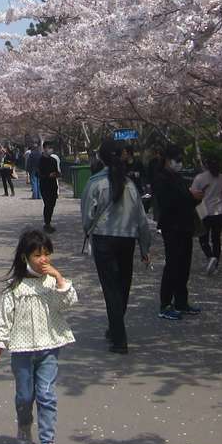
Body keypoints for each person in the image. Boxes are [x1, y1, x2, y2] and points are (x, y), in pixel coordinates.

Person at [0, 228, 76, 444]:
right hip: (22, 349)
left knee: (46, 395)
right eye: (38, 255)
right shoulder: (15, 286)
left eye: (47, 254)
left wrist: (59, 278)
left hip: (49, 346)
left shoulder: (51, 283)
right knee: (25, 396)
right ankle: (24, 424)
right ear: (25, 257)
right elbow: (4, 316)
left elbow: (68, 302)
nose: (43, 260)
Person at [80, 138, 154, 354]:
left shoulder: (95, 182)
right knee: (122, 286)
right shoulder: (130, 184)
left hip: (104, 238)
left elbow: (87, 215)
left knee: (111, 288)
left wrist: (88, 232)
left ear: (101, 157)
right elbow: (141, 217)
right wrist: (144, 246)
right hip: (127, 239)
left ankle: (118, 337)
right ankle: (115, 328)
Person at [149, 151, 201, 320]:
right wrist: (189, 197)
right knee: (173, 264)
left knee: (184, 264)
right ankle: (165, 304)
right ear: (168, 160)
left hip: (185, 225)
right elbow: (169, 202)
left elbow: (185, 198)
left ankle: (181, 301)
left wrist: (194, 198)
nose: (179, 164)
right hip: (172, 226)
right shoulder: (161, 178)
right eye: (177, 160)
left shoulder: (177, 177)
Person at [190, 158, 222, 274]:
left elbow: (193, 193)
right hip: (219, 211)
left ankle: (210, 256)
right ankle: (216, 264)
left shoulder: (200, 178)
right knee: (216, 238)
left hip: (204, 210)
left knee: (203, 237)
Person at [38, 143, 61, 232]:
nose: (50, 150)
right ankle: (47, 223)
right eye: (49, 148)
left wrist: (57, 174)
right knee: (47, 204)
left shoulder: (53, 160)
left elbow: (57, 171)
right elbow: (39, 173)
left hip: (53, 185)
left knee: (52, 204)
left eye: (51, 148)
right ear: (44, 149)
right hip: (44, 185)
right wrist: (48, 175)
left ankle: (48, 222)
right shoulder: (40, 160)